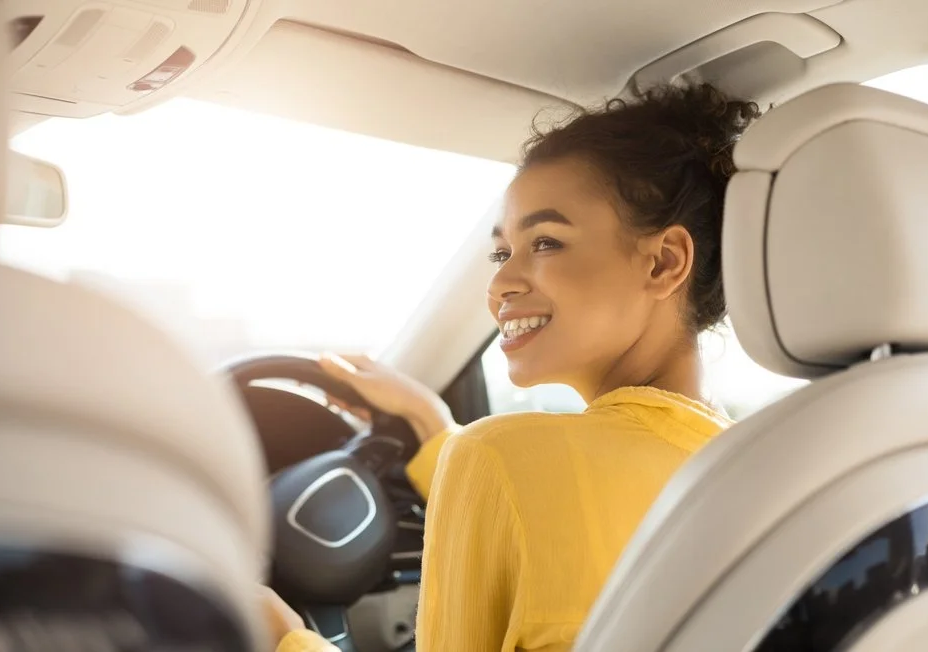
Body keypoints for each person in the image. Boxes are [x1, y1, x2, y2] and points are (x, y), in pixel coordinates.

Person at [270, 82, 761, 652]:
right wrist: (433, 427)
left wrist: (282, 638)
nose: (500, 283)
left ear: (663, 262)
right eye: (502, 252)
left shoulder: (498, 457)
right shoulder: (745, 468)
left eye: (547, 242)